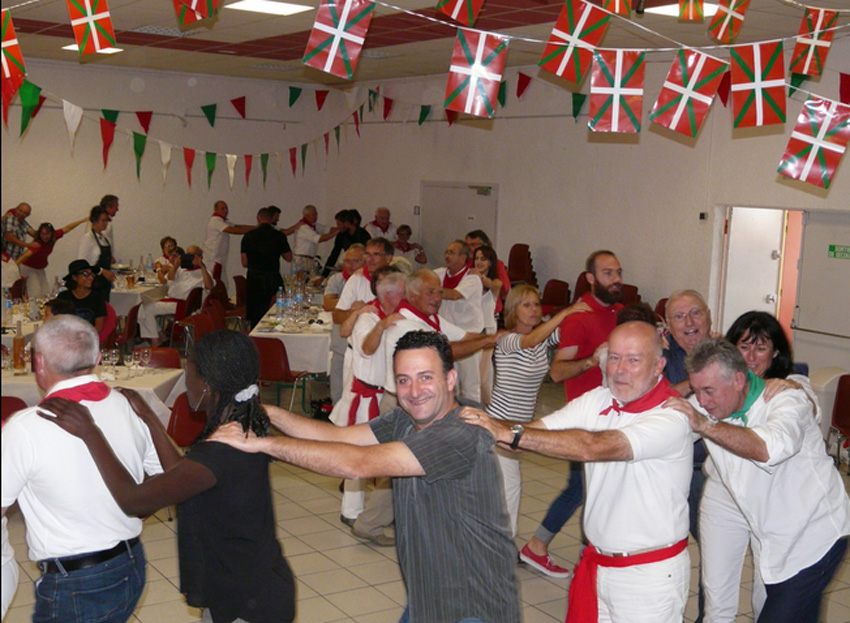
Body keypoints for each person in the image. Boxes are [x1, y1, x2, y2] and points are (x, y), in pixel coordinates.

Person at [211, 330, 521, 623]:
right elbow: (340, 438)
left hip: (473, 605)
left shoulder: (461, 433)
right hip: (430, 598)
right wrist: (269, 413)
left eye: (426, 377)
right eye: (404, 380)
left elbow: (358, 464)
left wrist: (262, 444)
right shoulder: (406, 417)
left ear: (450, 378)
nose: (414, 391)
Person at [37, 330, 296, 623]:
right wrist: (149, 418)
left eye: (190, 372)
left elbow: (133, 500)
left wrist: (90, 432)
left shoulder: (222, 451)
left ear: (208, 385)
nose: (187, 382)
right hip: (253, 586)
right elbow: (184, 476)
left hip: (249, 603)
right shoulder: (239, 427)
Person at [465, 321, 692, 622]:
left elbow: (593, 446)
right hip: (599, 565)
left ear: (658, 366)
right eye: (613, 357)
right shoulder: (598, 400)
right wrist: (476, 426)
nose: (620, 369)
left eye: (634, 360)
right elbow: (525, 437)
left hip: (648, 577)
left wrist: (505, 432)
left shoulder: (671, 416)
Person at [667, 337, 850, 623]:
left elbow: (768, 449)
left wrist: (705, 424)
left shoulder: (787, 401)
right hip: (777, 535)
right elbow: (663, 431)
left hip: (816, 539)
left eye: (709, 391)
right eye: (696, 391)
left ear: (739, 380)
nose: (701, 401)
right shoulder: (709, 404)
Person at [1, 315, 163, 623]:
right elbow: (163, 477)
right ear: (98, 358)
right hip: (131, 562)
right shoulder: (129, 403)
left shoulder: (26, 427)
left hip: (75, 582)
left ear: (38, 363)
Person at [521, 249, 623, 575]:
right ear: (591, 278)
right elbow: (557, 372)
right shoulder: (578, 317)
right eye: (608, 273)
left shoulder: (622, 314)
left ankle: (583, 549)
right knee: (580, 487)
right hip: (586, 419)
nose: (616, 279)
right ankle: (540, 546)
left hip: (616, 417)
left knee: (591, 488)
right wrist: (593, 360)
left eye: (618, 272)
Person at [487, 285, 590, 540]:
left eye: (536, 304)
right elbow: (531, 339)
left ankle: (496, 544)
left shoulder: (543, 341)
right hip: (497, 425)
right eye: (526, 305)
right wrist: (565, 312)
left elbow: (568, 330)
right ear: (513, 309)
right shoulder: (507, 341)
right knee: (510, 488)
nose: (534, 310)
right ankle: (504, 548)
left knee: (502, 490)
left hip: (520, 428)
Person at [332, 268, 406, 543]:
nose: (406, 297)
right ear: (388, 294)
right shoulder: (368, 316)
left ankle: (376, 512)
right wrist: (380, 325)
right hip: (366, 395)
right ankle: (351, 511)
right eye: (402, 292)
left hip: (381, 394)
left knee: (374, 458)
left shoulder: (385, 314)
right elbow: (365, 348)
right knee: (357, 456)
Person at [726, 310, 819, 417]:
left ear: (775, 352)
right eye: (744, 348)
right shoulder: (723, 378)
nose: (751, 357)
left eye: (760, 349)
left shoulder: (793, 381)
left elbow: (815, 413)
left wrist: (797, 389)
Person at [435, 240, 484, 401]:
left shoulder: (472, 279)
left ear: (463, 258)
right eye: (446, 252)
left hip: (469, 336)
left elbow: (455, 295)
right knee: (449, 382)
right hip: (447, 337)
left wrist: (430, 290)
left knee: (470, 384)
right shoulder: (440, 274)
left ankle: (474, 420)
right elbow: (421, 279)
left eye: (452, 253)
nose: (447, 256)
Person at [138, 245, 212, 347]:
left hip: (183, 305)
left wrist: (202, 266)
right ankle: (161, 336)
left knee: (146, 308)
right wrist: (176, 266)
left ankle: (156, 341)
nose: (189, 257)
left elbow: (209, 286)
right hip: (172, 301)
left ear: (200, 257)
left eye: (192, 255)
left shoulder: (204, 272)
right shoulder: (182, 269)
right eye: (187, 255)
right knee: (144, 305)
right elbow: (170, 278)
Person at [324, 244, 365, 403]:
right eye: (347, 261)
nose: (349, 265)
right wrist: (351, 304)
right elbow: (327, 304)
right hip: (340, 346)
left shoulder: (368, 282)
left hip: (361, 348)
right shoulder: (336, 279)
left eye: (355, 261)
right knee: (338, 396)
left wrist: (340, 303)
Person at [241, 207, 293, 329]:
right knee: (276, 311)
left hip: (254, 279)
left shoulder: (248, 236)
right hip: (272, 277)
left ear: (258, 219)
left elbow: (244, 262)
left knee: (256, 315)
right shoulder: (279, 236)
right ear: (271, 219)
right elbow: (289, 257)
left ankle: (257, 339)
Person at [18, 217, 88, 298]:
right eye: (42, 234)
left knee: (45, 293)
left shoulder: (55, 236)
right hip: (28, 268)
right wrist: (13, 266)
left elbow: (67, 228)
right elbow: (24, 256)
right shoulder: (37, 244)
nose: (44, 236)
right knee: (35, 293)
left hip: (40, 269)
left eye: (47, 234)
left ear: (51, 233)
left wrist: (83, 220)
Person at [333, 238, 395, 327]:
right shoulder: (356, 279)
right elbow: (336, 317)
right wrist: (354, 312)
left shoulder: (398, 281)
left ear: (389, 258)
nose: (370, 259)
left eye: (376, 255)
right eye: (367, 254)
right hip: (360, 338)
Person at [470, 244, 502, 405]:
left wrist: (479, 277)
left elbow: (493, 285)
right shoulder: (469, 282)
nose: (479, 262)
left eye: (483, 259)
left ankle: (487, 409)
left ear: (490, 262)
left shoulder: (495, 282)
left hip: (488, 331)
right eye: (476, 258)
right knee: (472, 376)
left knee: (482, 377)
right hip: (472, 331)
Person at [203, 200, 255, 284]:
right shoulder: (215, 221)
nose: (225, 211)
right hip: (213, 260)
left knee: (222, 283)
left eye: (226, 208)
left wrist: (256, 227)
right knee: (216, 283)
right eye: (222, 208)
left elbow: (238, 226)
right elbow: (233, 230)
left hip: (219, 260)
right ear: (216, 210)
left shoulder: (223, 221)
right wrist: (255, 230)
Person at [464, 229, 510, 313]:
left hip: (490, 309)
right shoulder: (465, 264)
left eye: (473, 245)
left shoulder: (497, 264)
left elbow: (505, 290)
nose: (470, 249)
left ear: (485, 245)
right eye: (467, 245)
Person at [287, 204, 339, 275]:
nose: (315, 217)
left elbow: (327, 229)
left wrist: (339, 229)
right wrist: (336, 233)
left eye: (316, 214)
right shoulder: (304, 227)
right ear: (306, 216)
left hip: (309, 260)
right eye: (313, 215)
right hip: (301, 260)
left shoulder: (314, 225)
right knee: (300, 282)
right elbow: (318, 239)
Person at [57, 259, 107, 332]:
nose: (90, 278)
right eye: (85, 274)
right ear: (74, 277)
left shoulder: (97, 297)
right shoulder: (64, 297)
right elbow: (58, 321)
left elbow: (98, 326)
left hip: (88, 337)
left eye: (92, 274)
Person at [78, 205, 116, 300]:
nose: (106, 223)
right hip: (93, 285)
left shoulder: (105, 240)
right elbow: (82, 264)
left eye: (106, 220)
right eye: (103, 220)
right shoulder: (88, 239)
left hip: (105, 285)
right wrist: (102, 271)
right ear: (94, 221)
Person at [322, 209, 371, 277]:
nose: (337, 227)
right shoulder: (341, 235)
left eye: (339, 224)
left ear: (347, 223)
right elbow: (334, 255)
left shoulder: (364, 235)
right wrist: (323, 276)